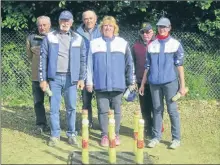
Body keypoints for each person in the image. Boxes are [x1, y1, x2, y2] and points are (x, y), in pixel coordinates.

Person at [86, 16, 136, 147]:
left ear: (115, 28)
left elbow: (129, 64)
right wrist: (89, 82)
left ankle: (116, 134)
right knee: (102, 110)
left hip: (118, 85)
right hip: (100, 84)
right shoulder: (94, 43)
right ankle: (104, 135)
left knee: (117, 110)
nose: (107, 28)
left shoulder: (122, 43)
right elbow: (89, 65)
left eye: (110, 26)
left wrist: (131, 81)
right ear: (101, 28)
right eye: (105, 26)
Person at [39, 10, 86, 147]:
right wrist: (43, 79)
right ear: (59, 22)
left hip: (71, 79)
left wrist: (82, 78)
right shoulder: (50, 37)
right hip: (54, 79)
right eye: (63, 20)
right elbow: (43, 59)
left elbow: (83, 60)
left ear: (71, 23)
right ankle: (55, 135)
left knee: (71, 107)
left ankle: (71, 135)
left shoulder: (78, 38)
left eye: (68, 21)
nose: (65, 23)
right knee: (54, 108)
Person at [139, 17, 187, 149]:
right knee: (157, 110)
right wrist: (143, 84)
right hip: (154, 83)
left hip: (170, 83)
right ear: (157, 28)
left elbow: (180, 66)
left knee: (172, 110)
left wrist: (182, 86)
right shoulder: (151, 45)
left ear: (169, 28)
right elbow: (147, 67)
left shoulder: (175, 44)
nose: (162, 29)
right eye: (160, 26)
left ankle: (176, 139)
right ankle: (156, 137)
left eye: (165, 27)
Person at [133, 23, 164, 136]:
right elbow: (132, 63)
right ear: (140, 34)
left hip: (155, 81)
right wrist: (134, 79)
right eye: (143, 32)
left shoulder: (158, 44)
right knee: (144, 107)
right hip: (141, 81)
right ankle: (148, 127)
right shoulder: (135, 46)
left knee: (156, 105)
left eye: (148, 31)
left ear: (153, 32)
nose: (145, 34)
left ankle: (158, 126)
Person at [76, 10, 101, 129]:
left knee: (102, 101)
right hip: (84, 72)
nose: (88, 20)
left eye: (91, 18)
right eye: (86, 18)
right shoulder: (77, 33)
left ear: (95, 19)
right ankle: (88, 123)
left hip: (100, 71)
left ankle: (104, 124)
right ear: (83, 20)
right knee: (86, 101)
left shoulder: (102, 31)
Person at [26, 16, 51, 134]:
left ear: (49, 25)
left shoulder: (55, 38)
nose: (42, 27)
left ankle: (55, 126)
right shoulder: (31, 39)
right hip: (37, 78)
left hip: (52, 78)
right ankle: (41, 124)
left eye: (44, 25)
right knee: (38, 102)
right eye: (40, 25)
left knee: (54, 102)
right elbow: (30, 56)